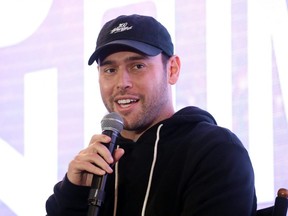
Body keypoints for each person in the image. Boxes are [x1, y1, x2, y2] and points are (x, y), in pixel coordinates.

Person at [46, 14, 257, 216]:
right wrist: (72, 195)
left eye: (137, 66)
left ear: (172, 69)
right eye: (110, 70)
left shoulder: (215, 151)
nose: (122, 83)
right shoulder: (96, 166)